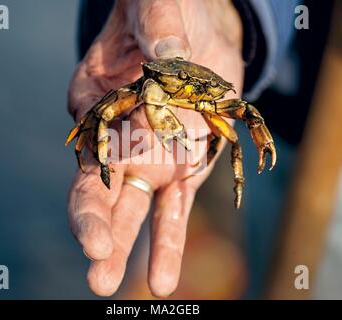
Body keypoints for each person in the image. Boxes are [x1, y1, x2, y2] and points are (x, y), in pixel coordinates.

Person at [66, 0, 298, 297]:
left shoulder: (209, 97)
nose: (191, 88)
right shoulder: (150, 82)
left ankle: (237, 183)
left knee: (238, 129)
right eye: (186, 83)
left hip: (330, 135)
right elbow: (121, 100)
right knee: (102, 111)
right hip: (288, 112)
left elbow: (246, 117)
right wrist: (231, 12)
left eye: (200, 87)